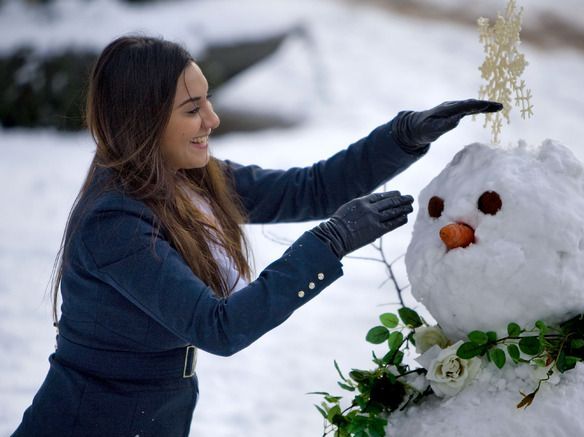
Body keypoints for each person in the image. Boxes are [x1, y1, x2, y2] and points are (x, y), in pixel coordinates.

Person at [12, 35, 502, 436]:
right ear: (143, 121)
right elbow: (219, 327)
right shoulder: (114, 224)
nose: (212, 119)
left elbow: (310, 188)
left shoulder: (186, 177)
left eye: (207, 100)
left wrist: (403, 137)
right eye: (192, 108)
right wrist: (327, 244)